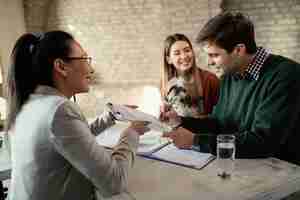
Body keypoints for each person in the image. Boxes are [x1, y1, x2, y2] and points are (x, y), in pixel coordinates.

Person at [6, 31, 150, 200]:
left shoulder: (31, 103)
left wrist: (109, 117)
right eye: (85, 59)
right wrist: (132, 132)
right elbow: (114, 182)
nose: (91, 69)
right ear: (61, 66)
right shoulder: (59, 109)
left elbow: (68, 140)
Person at [163, 12, 300, 165]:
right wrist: (181, 121)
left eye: (214, 55)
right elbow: (219, 123)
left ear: (239, 50)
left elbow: (264, 141)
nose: (209, 63)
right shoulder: (229, 75)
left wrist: (196, 140)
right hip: (244, 166)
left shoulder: (286, 75)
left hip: (282, 173)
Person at [160, 33, 219, 122]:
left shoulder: (210, 80)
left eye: (187, 50)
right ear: (169, 59)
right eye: (177, 53)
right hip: (176, 134)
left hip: (204, 134)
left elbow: (220, 118)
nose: (184, 56)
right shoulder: (166, 83)